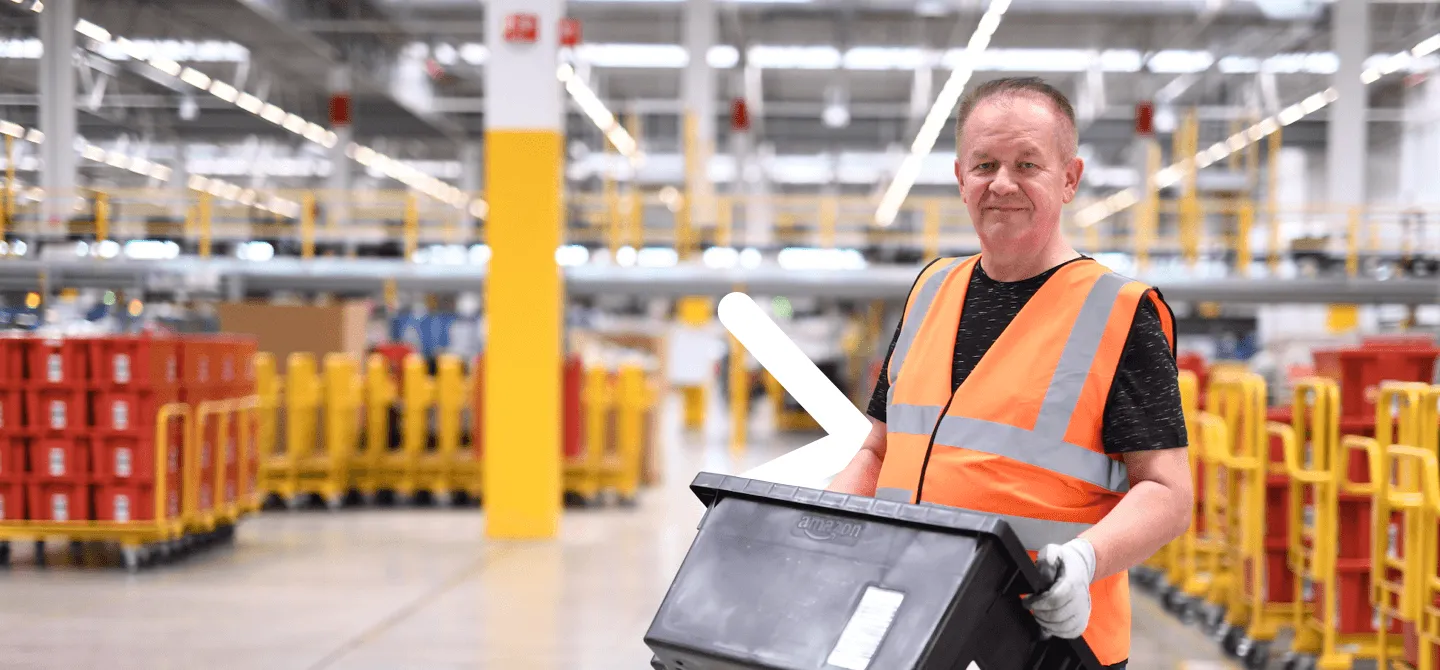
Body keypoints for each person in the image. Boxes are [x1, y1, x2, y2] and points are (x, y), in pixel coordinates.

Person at [826, 77, 1194, 669]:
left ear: (1069, 179)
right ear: (960, 178)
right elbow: (878, 449)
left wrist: (1083, 562)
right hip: (914, 620)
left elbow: (1169, 493)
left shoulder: (1120, 312)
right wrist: (825, 525)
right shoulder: (930, 291)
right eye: (985, 164)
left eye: (1028, 164)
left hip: (1046, 639)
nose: (1002, 183)